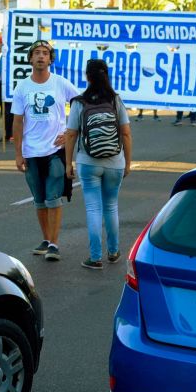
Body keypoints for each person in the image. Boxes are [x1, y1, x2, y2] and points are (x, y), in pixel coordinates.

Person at [11, 40, 79, 261]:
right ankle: (46, 238)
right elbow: (18, 122)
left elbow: (81, 106)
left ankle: (54, 244)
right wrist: (18, 153)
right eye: (37, 53)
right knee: (39, 200)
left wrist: (69, 133)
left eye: (45, 53)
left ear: (51, 59)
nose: (41, 56)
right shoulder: (22, 87)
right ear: (30, 58)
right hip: (31, 151)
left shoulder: (60, 83)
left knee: (53, 198)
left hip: (55, 151)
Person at [65, 58, 132, 270]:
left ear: (87, 76)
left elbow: (70, 134)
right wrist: (127, 163)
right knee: (111, 206)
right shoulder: (115, 100)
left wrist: (69, 164)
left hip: (88, 162)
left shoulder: (79, 102)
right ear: (107, 75)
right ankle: (113, 252)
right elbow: (126, 134)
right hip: (115, 162)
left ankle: (95, 257)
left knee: (93, 208)